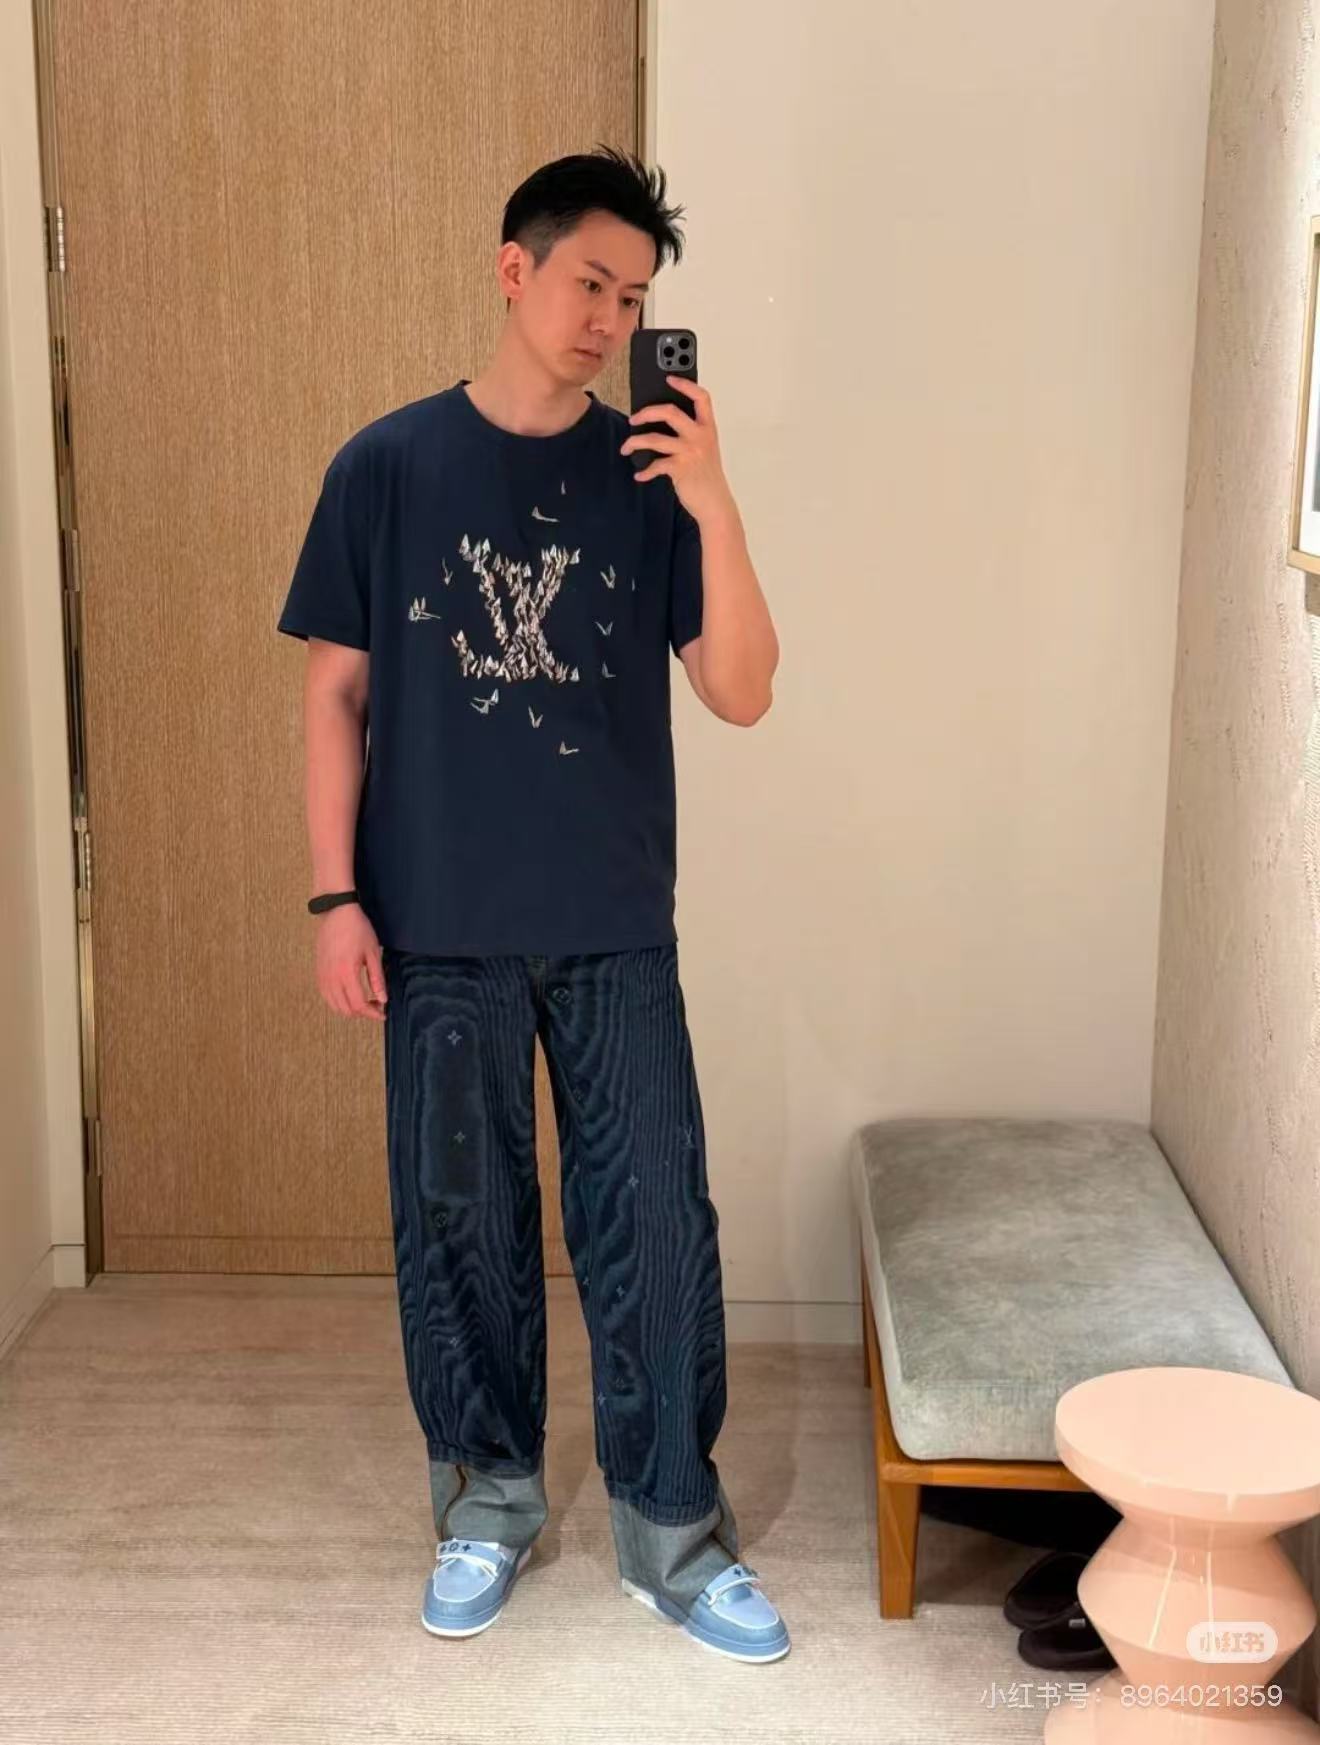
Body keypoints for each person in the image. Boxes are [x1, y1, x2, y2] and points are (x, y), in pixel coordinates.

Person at [276, 145, 784, 1663]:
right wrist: (334, 897)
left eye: (633, 299)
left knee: (656, 1223)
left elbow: (744, 691)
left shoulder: (650, 478)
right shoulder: (386, 468)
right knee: (461, 1228)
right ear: (516, 270)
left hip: (614, 918)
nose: (608, 320)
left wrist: (715, 500)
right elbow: (334, 698)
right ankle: (487, 1502)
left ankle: (673, 1530)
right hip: (437, 923)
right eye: (589, 284)